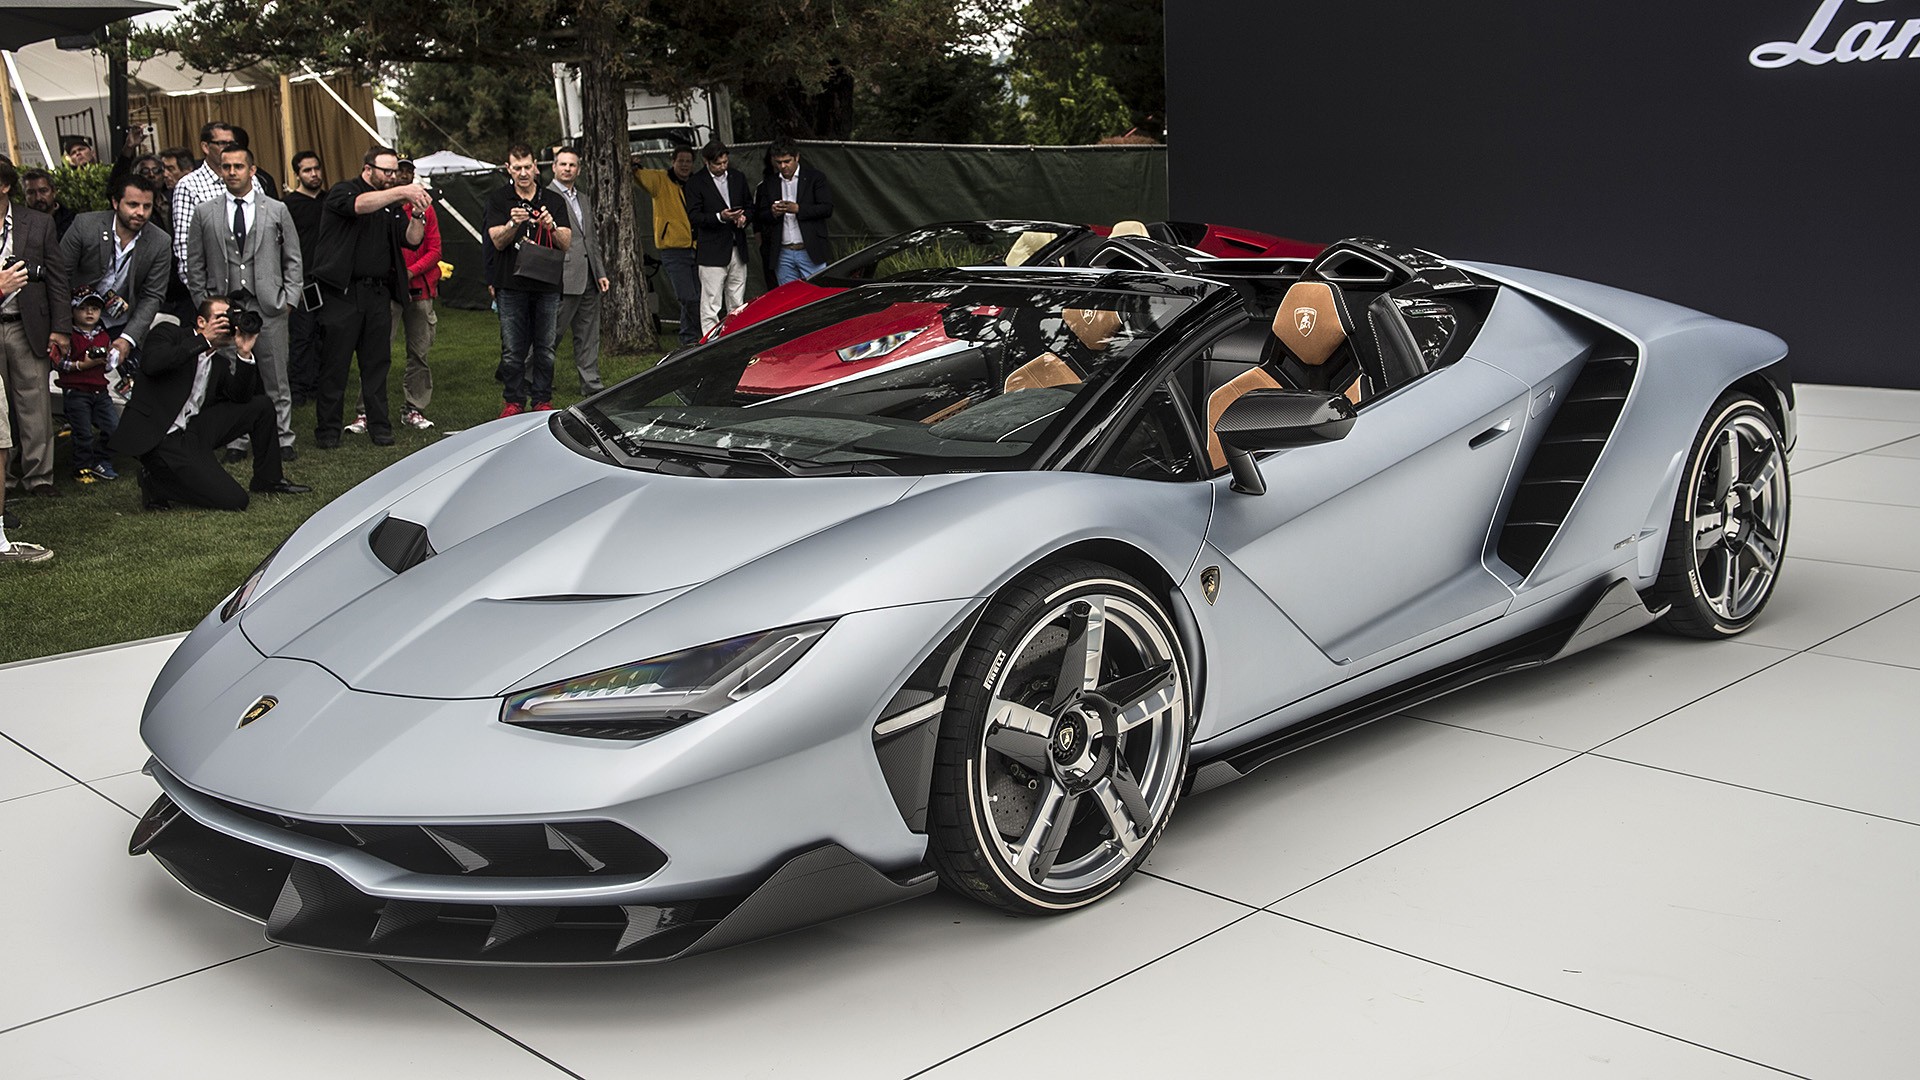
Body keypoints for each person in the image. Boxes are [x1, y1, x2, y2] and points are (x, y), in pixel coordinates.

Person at [110, 298, 311, 510]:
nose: (227, 325)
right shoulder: (169, 333)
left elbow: (240, 398)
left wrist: (244, 354)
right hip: (162, 436)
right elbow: (153, 363)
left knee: (261, 405)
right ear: (201, 322)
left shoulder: (218, 363)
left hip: (194, 431)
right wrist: (203, 340)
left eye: (231, 319)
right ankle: (155, 481)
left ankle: (268, 479)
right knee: (236, 500)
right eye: (221, 318)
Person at [185, 144, 304, 460]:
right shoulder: (205, 212)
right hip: (225, 307)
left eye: (238, 166)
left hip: (269, 306)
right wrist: (205, 304)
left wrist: (289, 300)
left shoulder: (276, 209)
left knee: (276, 376)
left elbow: (293, 258)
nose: (232, 172)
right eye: (226, 167)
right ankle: (236, 440)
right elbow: (194, 264)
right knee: (230, 376)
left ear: (252, 170)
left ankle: (282, 438)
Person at [306, 146, 429, 448]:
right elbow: (359, 206)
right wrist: (403, 191)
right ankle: (328, 431)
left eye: (394, 172)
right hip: (342, 293)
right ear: (368, 168)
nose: (392, 177)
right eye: (386, 171)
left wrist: (418, 214)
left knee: (377, 364)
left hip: (377, 293)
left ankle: (379, 427)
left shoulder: (391, 205)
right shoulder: (344, 191)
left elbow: (411, 240)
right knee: (335, 364)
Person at [59, 174, 172, 395]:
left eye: (147, 206)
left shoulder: (160, 241)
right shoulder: (85, 226)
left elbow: (153, 295)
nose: (140, 212)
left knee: (140, 387)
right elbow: (60, 276)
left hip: (121, 321)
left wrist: (128, 339)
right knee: (78, 390)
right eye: (133, 204)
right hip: (77, 317)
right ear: (115, 202)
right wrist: (60, 326)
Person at [350, 156, 439, 432]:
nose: (403, 175)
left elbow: (435, 249)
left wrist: (410, 272)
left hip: (419, 289)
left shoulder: (423, 207)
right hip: (387, 290)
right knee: (376, 351)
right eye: (397, 171)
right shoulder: (381, 205)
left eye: (408, 171)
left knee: (419, 352)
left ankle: (414, 408)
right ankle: (365, 411)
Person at [483, 142, 572, 417]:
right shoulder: (499, 199)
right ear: (508, 169)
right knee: (513, 348)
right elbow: (496, 241)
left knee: (545, 348)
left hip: (546, 285)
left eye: (527, 167)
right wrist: (513, 223)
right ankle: (514, 400)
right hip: (510, 284)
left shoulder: (553, 200)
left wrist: (550, 225)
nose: (523, 173)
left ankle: (542, 399)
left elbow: (566, 242)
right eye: (517, 168)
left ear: (536, 167)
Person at [1, 160, 71, 499]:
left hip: (26, 324)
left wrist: (61, 328)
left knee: (36, 404)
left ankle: (39, 476)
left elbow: (57, 277)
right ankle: (4, 480)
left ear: (4, 186)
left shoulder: (38, 222)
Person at [548, 146, 608, 394]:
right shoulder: (546, 196)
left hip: (589, 277)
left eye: (572, 165)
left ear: (578, 169)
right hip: (562, 276)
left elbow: (590, 239)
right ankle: (531, 378)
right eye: (563, 164)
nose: (567, 169)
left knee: (588, 335)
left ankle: (591, 384)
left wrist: (600, 272)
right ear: (554, 167)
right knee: (551, 333)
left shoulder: (583, 198)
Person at [632, 143, 703, 346]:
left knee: (698, 296)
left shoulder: (697, 183)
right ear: (673, 161)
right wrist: (633, 164)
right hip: (673, 249)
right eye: (681, 161)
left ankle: (689, 338)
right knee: (688, 297)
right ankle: (702, 332)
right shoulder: (661, 180)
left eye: (688, 161)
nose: (684, 165)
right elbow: (640, 176)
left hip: (698, 247)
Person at [683, 140, 752, 336]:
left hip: (737, 246)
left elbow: (750, 206)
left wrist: (744, 218)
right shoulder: (695, 182)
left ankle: (736, 337)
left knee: (737, 300)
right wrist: (720, 217)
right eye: (717, 164)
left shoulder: (738, 177)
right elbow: (694, 216)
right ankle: (710, 342)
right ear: (706, 161)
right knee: (711, 302)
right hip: (711, 250)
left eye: (725, 162)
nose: (722, 167)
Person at [56, 290, 119, 482]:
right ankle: (82, 467)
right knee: (83, 433)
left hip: (100, 391)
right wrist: (81, 365)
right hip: (77, 391)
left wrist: (109, 359)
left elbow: (107, 366)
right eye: (83, 308)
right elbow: (59, 363)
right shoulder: (68, 336)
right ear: (73, 311)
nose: (89, 312)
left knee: (113, 428)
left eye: (95, 308)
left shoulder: (104, 335)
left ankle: (101, 460)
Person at [754, 140, 834, 286]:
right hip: (782, 252)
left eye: (787, 161)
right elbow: (760, 215)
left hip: (810, 250)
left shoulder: (815, 178)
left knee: (817, 294)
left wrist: (798, 209)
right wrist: (773, 212)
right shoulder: (769, 183)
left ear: (797, 157)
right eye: (778, 162)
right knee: (788, 296)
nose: (783, 166)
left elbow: (827, 208)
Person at [283, 150, 327, 407]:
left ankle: (319, 385)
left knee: (325, 335)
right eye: (307, 170)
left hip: (328, 281)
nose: (314, 174)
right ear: (297, 174)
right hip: (303, 281)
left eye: (316, 168)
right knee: (302, 335)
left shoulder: (330, 201)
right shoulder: (288, 206)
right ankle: (298, 388)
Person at [171, 121, 237, 274]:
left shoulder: (250, 179)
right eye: (222, 143)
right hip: (213, 277)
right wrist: (196, 285)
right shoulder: (189, 185)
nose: (229, 149)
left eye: (232, 144)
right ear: (206, 147)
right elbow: (185, 244)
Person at [21, 169, 76, 240]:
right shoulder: (18, 223)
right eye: (31, 192)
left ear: (54, 192)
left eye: (43, 191)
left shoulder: (72, 221)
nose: (38, 197)